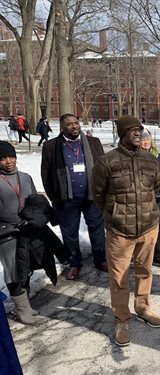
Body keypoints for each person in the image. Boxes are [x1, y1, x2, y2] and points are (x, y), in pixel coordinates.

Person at [92, 115, 160, 347]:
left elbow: (156, 186)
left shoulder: (150, 160)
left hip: (148, 226)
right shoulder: (107, 161)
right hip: (119, 231)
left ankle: (143, 307)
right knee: (119, 278)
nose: (137, 133)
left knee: (145, 271)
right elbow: (98, 194)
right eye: (132, 130)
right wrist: (114, 214)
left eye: (139, 130)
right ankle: (121, 319)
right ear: (122, 134)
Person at [41, 113, 107, 280]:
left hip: (92, 196)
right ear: (62, 127)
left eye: (76, 123)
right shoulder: (51, 146)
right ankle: (74, 263)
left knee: (97, 229)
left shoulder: (94, 142)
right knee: (70, 232)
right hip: (66, 198)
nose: (74, 126)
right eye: (69, 124)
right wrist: (53, 196)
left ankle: (100, 259)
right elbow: (46, 174)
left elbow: (103, 167)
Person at [0, 141, 37, 324]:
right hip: (7, 234)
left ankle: (27, 304)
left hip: (27, 229)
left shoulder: (25, 177)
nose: (8, 161)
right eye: (3, 158)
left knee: (26, 267)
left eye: (11, 156)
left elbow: (34, 200)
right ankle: (21, 309)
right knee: (13, 270)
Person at [141, 129, 160, 268]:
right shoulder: (135, 157)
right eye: (142, 139)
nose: (146, 141)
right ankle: (143, 257)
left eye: (147, 138)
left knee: (157, 230)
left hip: (158, 199)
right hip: (141, 199)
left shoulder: (158, 156)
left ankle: (158, 257)